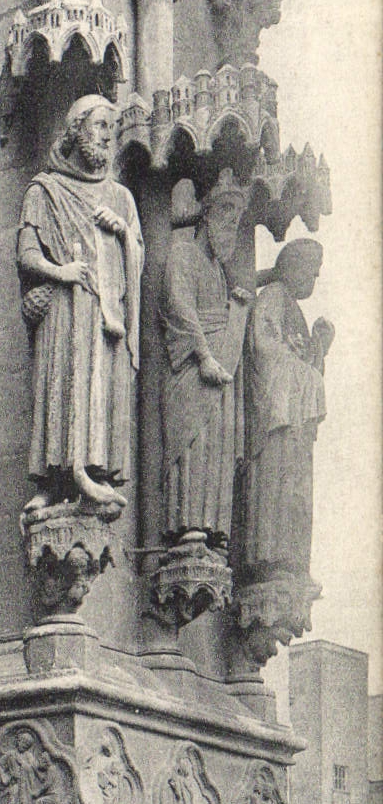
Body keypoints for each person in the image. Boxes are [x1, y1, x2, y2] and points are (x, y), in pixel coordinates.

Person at [16, 96, 143, 511]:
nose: (107, 136)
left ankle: (92, 469)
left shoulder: (122, 197)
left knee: (97, 384)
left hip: (105, 314)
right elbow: (27, 254)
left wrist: (123, 231)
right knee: (60, 385)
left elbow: (137, 256)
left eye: (112, 127)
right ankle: (53, 480)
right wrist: (63, 271)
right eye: (99, 126)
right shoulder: (46, 189)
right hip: (64, 309)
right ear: (75, 131)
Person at [159, 170, 252, 546]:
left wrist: (237, 306)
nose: (230, 228)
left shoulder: (218, 269)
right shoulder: (183, 254)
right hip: (194, 368)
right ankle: (188, 524)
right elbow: (179, 305)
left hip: (219, 367)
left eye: (235, 221)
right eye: (225, 217)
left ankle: (214, 526)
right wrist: (204, 355)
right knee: (194, 445)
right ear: (206, 217)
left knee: (216, 445)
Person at [240, 238, 332, 580]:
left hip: (292, 422)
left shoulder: (292, 305)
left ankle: (290, 561)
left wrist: (320, 349)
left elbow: (302, 367)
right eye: (312, 270)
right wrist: (308, 371)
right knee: (277, 487)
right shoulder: (274, 297)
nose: (315, 278)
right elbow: (265, 352)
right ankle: (272, 558)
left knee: (293, 490)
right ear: (293, 266)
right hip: (276, 422)